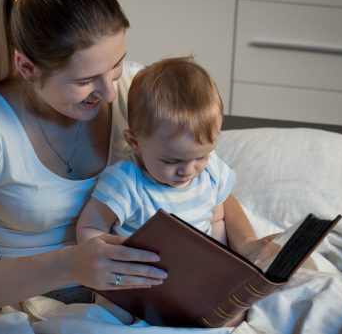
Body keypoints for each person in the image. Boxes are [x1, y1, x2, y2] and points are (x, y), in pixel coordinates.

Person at [0, 0, 168, 315]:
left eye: (116, 65)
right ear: (27, 67)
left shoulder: (127, 85)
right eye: (85, 80)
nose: (111, 92)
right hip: (57, 305)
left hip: (149, 290)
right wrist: (68, 265)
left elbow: (201, 161)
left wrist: (245, 243)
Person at [76, 57, 276, 325]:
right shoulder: (126, 181)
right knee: (110, 314)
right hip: (136, 282)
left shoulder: (211, 171)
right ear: (134, 142)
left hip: (192, 282)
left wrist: (237, 253)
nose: (188, 171)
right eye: (171, 161)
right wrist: (113, 255)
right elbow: (89, 227)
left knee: (234, 314)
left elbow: (218, 216)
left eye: (201, 156)